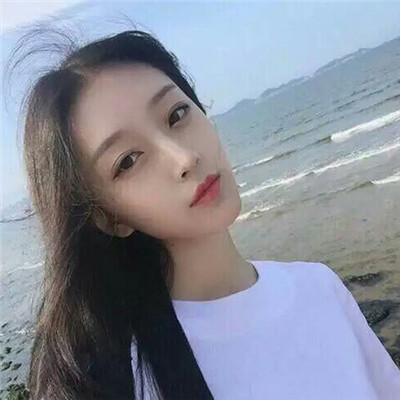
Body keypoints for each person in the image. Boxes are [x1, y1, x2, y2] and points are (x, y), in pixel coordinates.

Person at [7, 28, 400, 400]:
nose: (184, 158)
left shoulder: (319, 286)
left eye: (177, 115)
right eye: (128, 160)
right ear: (108, 217)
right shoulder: (124, 380)